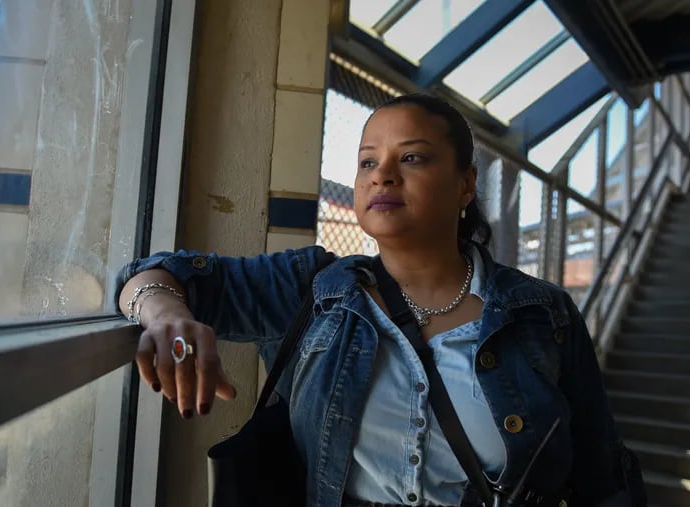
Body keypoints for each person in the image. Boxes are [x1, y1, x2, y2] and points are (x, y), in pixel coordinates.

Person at [116, 93, 645, 507]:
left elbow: (602, 475)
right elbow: (148, 274)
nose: (382, 175)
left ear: (465, 186)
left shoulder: (542, 315)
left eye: (411, 157)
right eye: (368, 161)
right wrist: (167, 318)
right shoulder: (315, 288)